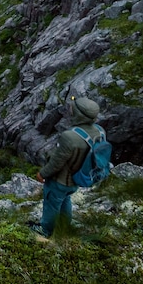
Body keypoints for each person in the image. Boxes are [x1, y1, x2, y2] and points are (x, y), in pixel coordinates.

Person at [32, 96, 103, 239]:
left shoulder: (70, 137)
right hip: (77, 178)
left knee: (52, 203)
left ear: (79, 115)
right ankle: (64, 225)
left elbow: (57, 162)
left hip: (61, 180)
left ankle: (46, 230)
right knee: (65, 200)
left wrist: (42, 174)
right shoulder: (99, 131)